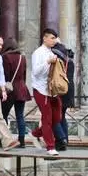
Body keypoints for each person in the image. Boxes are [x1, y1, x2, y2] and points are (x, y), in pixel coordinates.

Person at [30, 29, 63, 157]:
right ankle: (50, 146)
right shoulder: (38, 53)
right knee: (47, 118)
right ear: (45, 38)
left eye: (55, 38)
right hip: (41, 89)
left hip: (53, 90)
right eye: (52, 38)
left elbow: (66, 54)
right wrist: (47, 62)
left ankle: (36, 133)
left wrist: (59, 44)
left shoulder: (53, 51)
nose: (54, 40)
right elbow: (36, 72)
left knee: (57, 117)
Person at [0, 38, 29, 148]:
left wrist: (2, 89)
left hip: (10, 89)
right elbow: (24, 75)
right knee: (20, 115)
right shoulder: (23, 58)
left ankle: (3, 138)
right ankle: (22, 140)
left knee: (3, 115)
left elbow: (5, 75)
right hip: (22, 88)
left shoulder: (5, 57)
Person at [52, 43, 75, 151]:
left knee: (55, 116)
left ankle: (61, 139)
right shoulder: (70, 61)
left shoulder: (59, 62)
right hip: (69, 91)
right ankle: (65, 139)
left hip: (60, 90)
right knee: (62, 115)